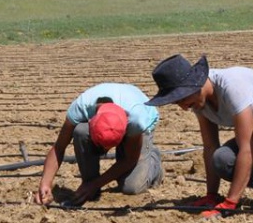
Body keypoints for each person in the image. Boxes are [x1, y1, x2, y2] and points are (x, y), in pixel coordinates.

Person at [146, 53, 253, 217]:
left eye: (182, 99)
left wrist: (231, 202)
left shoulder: (231, 85)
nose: (184, 107)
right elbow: (210, 147)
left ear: (194, 85)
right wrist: (211, 195)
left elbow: (247, 148)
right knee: (221, 159)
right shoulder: (199, 103)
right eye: (178, 102)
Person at [33, 82, 163, 206]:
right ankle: (88, 183)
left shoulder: (136, 120)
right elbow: (59, 148)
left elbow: (130, 160)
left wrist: (95, 184)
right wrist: (46, 182)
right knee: (80, 132)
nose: (105, 150)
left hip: (139, 121)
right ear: (91, 122)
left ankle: (153, 160)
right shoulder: (81, 108)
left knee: (132, 187)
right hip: (108, 115)